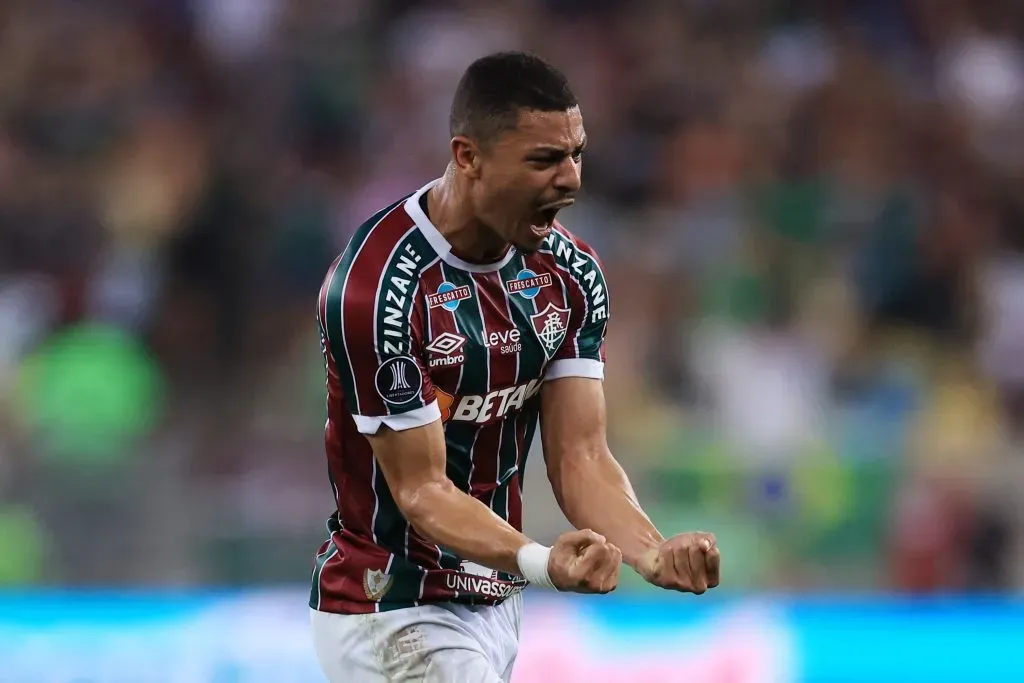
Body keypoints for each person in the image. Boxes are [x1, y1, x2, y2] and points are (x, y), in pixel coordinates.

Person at [309, 51, 721, 682]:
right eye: (544, 160)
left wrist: (650, 552)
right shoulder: (379, 287)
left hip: (497, 606)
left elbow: (581, 456)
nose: (570, 179)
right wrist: (540, 560)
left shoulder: (571, 273)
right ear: (468, 156)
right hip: (388, 604)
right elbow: (422, 491)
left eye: (577, 155)